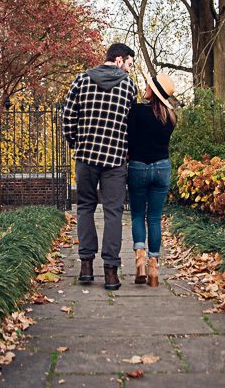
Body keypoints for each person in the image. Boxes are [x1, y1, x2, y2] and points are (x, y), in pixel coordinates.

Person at [62, 43, 138, 290]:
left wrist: (76, 141)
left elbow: (68, 117)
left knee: (84, 207)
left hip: (85, 157)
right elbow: (131, 124)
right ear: (118, 60)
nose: (128, 69)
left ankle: (85, 266)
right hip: (115, 159)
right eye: (128, 63)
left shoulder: (81, 80)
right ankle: (111, 272)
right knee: (113, 212)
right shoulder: (128, 86)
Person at [127, 73, 177, 287]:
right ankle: (154, 268)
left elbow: (129, 138)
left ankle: (139, 260)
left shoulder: (136, 111)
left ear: (154, 92)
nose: (145, 86)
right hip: (161, 169)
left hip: (138, 167)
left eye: (148, 84)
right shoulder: (171, 117)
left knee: (138, 215)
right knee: (154, 219)